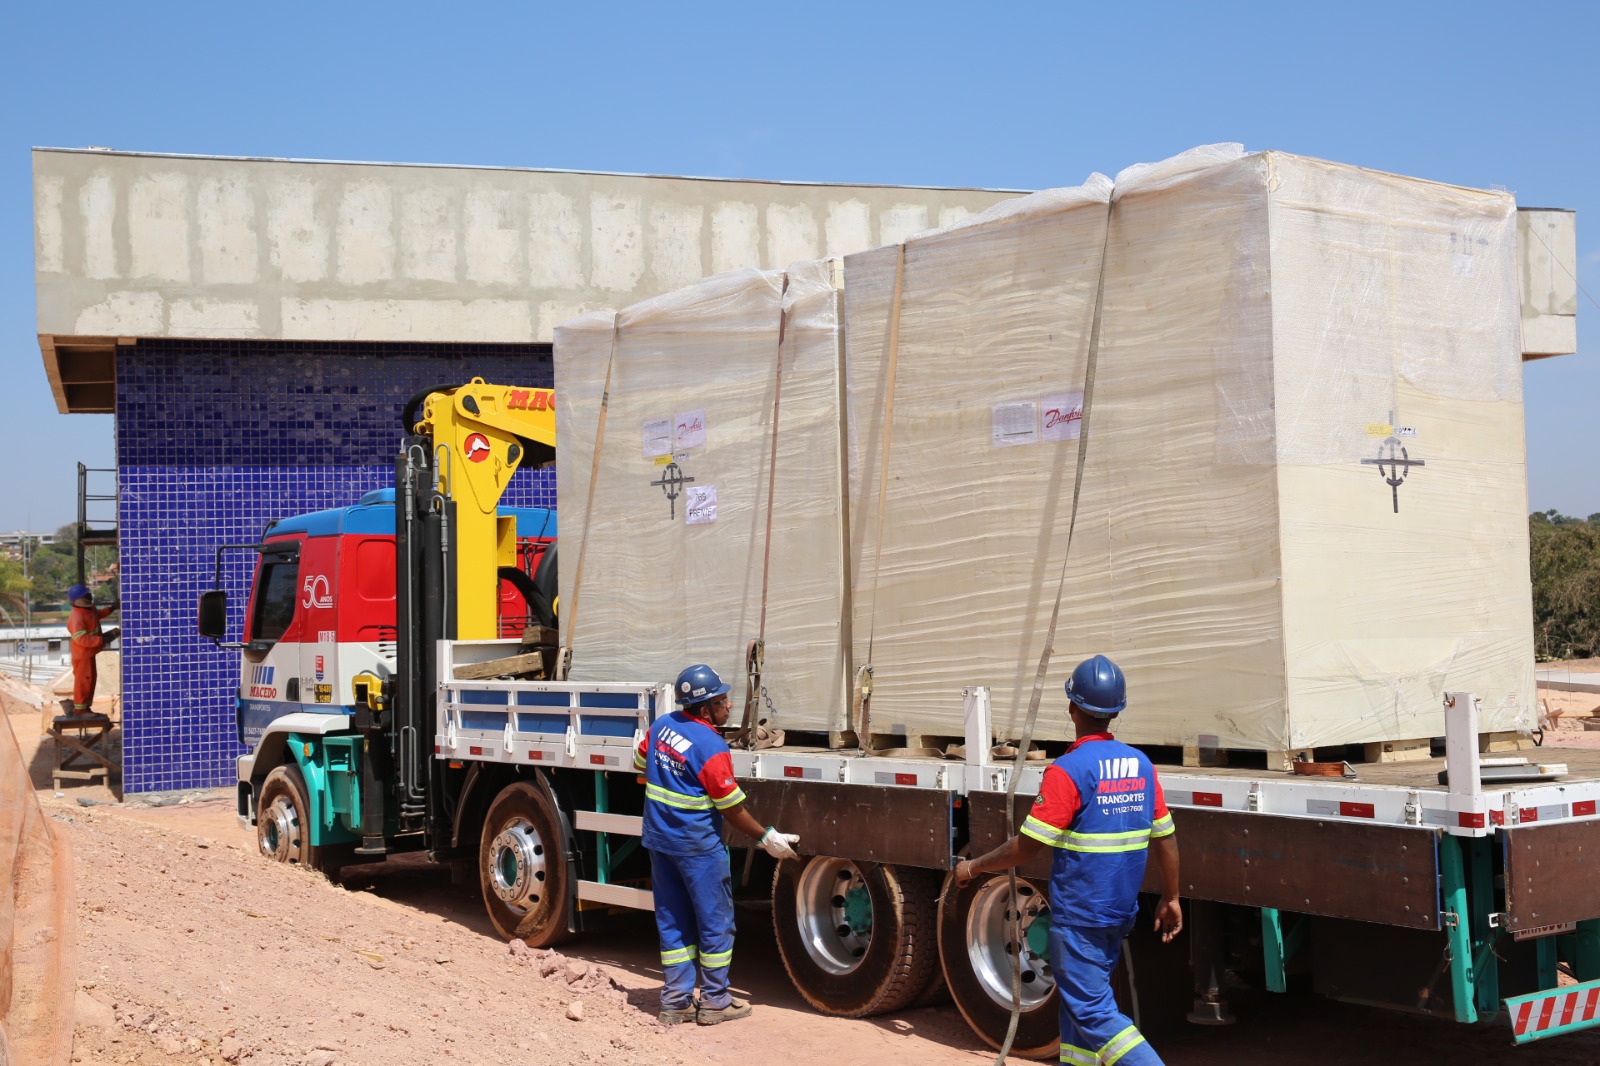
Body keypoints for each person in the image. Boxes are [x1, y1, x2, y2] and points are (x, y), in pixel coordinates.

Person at [956, 654, 1180, 1066]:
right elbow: (1165, 836)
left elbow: (1025, 848)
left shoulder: (1068, 770)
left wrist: (972, 867)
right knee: (1076, 1008)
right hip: (1117, 912)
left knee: (1094, 1011)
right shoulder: (1141, 765)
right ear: (1116, 712)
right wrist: (1172, 896)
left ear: (1072, 708)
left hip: (1080, 916)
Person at [634, 663, 801, 1026]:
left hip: (660, 841)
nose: (728, 706)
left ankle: (676, 1002)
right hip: (697, 848)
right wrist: (765, 837)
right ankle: (714, 1001)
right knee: (715, 923)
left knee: (673, 921)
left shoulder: (663, 725)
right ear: (705, 709)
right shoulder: (711, 745)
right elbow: (731, 809)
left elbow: (639, 761)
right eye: (722, 701)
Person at [66, 584, 119, 716]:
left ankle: (85, 707)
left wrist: (111, 608)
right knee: (83, 682)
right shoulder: (77, 616)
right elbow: (81, 639)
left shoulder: (88, 610)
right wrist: (101, 640)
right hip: (82, 654)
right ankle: (80, 710)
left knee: (90, 681)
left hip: (88, 653)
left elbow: (98, 615)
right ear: (78, 600)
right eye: (86, 595)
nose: (89, 596)